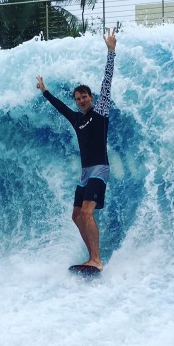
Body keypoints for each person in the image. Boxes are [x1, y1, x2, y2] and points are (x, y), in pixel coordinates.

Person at [36, 27, 118, 270]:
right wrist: (45, 91)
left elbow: (107, 81)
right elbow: (60, 107)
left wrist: (111, 51)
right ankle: (91, 256)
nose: (81, 100)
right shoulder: (77, 119)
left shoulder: (100, 111)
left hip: (100, 170)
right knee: (76, 216)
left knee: (87, 213)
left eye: (84, 96)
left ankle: (97, 259)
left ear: (91, 97)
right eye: (78, 98)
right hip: (84, 174)